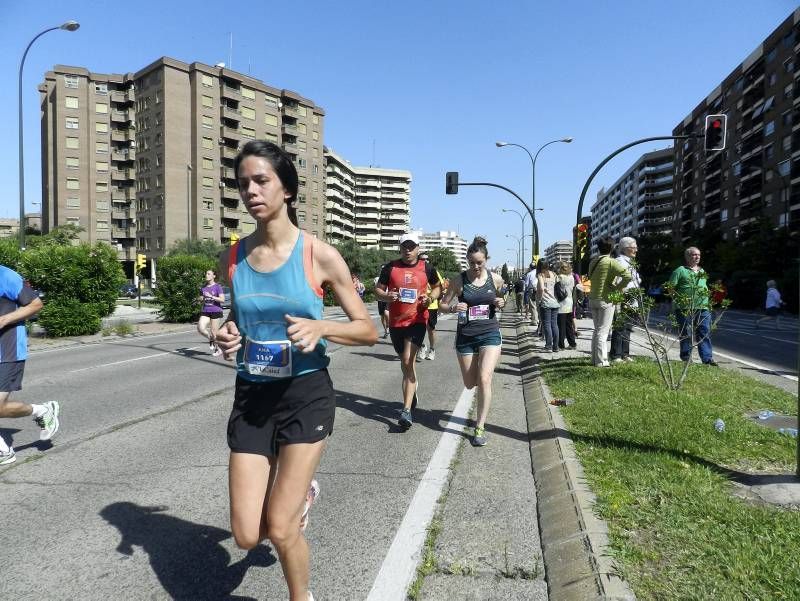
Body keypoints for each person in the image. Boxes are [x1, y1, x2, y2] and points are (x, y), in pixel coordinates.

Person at [214, 140, 377, 601]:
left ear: (286, 188)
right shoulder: (233, 257)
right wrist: (225, 334)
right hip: (252, 396)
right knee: (248, 535)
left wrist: (322, 326)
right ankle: (301, 497)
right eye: (243, 183)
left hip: (305, 394)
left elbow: (367, 330)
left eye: (261, 180)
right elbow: (239, 318)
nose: (251, 191)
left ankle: (300, 595)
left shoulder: (319, 255)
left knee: (281, 529)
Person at [440, 236, 505, 446]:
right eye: (472, 263)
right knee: (470, 384)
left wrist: (501, 301)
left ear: (486, 259)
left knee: (485, 379)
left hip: (490, 333)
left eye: (480, 262)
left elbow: (502, 298)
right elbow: (442, 304)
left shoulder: (495, 279)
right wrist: (452, 308)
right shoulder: (459, 280)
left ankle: (480, 427)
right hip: (466, 336)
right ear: (467, 261)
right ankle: (479, 401)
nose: (476, 267)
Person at [375, 233, 441, 429]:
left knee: (406, 360)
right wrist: (387, 296)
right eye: (404, 246)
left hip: (417, 320)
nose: (408, 250)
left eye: (411, 246)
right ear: (400, 248)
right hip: (396, 323)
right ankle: (412, 389)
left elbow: (437, 287)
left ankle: (406, 411)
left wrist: (430, 298)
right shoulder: (390, 267)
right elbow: (378, 289)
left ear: (418, 248)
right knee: (406, 366)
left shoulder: (427, 267)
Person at [0, 266, 60, 465]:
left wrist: (5, 319)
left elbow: (35, 304)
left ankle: (41, 411)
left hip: (7, 351)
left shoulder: (5, 275)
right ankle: (3, 450)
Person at [668, 246, 718, 366]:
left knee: (704, 332)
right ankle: (686, 358)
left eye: (699, 255)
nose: (697, 257)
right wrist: (679, 300)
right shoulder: (680, 270)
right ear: (687, 257)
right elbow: (670, 288)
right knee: (686, 332)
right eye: (694, 255)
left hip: (703, 307)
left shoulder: (702, 271)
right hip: (684, 307)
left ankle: (707, 359)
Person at [587, 236, 631, 367]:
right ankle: (601, 361)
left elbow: (590, 277)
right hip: (606, 299)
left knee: (596, 330)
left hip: (593, 298)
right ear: (612, 248)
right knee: (603, 331)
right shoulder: (611, 262)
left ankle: (594, 359)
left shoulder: (593, 261)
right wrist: (617, 287)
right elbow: (627, 276)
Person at [609, 237, 641, 363]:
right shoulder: (620, 262)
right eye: (634, 247)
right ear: (626, 248)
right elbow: (617, 281)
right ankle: (616, 354)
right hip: (623, 298)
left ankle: (625, 354)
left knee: (627, 327)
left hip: (632, 298)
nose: (636, 250)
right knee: (620, 327)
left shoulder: (631, 262)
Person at [416, 252, 443, 362]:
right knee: (418, 329)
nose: (425, 261)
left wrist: (439, 302)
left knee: (430, 329)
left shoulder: (433, 271)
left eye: (427, 259)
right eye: (422, 259)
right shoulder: (415, 272)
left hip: (431, 305)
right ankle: (422, 347)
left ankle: (432, 349)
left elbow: (440, 288)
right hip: (418, 305)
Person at [198, 269, 225, 356]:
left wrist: (212, 296)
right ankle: (210, 339)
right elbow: (201, 299)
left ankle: (218, 349)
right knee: (200, 328)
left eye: (209, 274)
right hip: (206, 310)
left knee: (214, 332)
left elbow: (222, 300)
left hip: (216, 311)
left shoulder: (218, 287)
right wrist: (200, 299)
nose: (206, 275)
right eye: (206, 273)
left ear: (214, 276)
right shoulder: (203, 287)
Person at [536, 259, 560, 353]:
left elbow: (541, 288)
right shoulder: (554, 274)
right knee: (554, 324)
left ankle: (548, 346)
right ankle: (556, 346)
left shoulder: (540, 275)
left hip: (545, 302)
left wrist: (540, 298)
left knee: (546, 324)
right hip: (555, 302)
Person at [555, 262, 577, 349]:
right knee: (569, 325)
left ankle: (561, 345)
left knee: (561, 326)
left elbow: (555, 289)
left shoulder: (559, 277)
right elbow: (572, 288)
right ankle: (572, 343)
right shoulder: (572, 277)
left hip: (561, 303)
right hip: (569, 301)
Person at [523, 262, 539, 328]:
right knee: (538, 305)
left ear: (530, 267)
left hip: (532, 290)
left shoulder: (529, 274)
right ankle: (537, 319)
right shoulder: (539, 273)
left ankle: (534, 320)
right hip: (539, 289)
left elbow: (526, 284)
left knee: (533, 305)